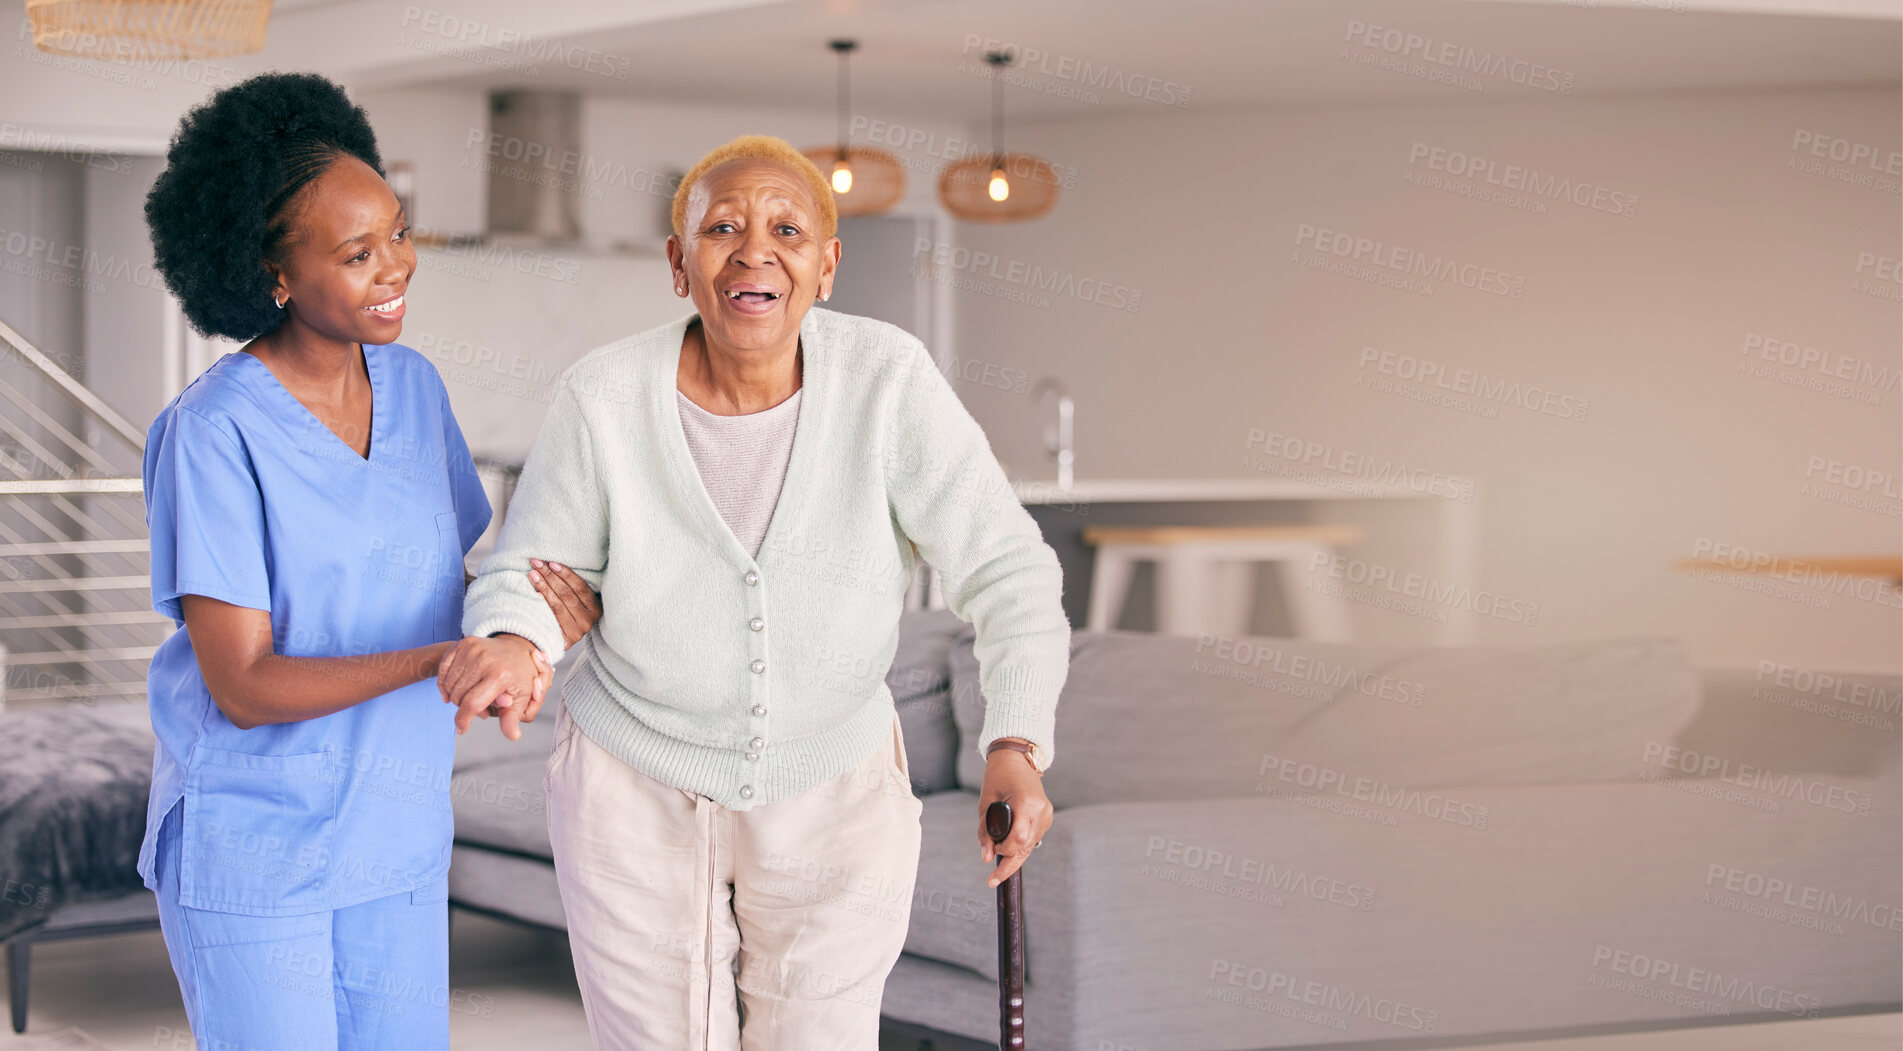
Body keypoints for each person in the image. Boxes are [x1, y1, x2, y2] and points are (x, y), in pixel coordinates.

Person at [442, 134, 1070, 1049]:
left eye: (786, 228)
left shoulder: (887, 382)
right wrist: (514, 638)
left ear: (825, 267)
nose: (753, 249)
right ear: (677, 263)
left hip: (836, 778)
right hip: (632, 777)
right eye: (721, 228)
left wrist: (1014, 740)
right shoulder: (605, 395)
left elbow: (1006, 565)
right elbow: (535, 568)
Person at [139, 72, 596, 1051]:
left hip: (393, 831)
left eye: (397, 230)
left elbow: (450, 585)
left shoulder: (415, 388)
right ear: (273, 274)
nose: (396, 265)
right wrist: (439, 659)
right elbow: (244, 685)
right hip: (256, 846)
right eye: (356, 253)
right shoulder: (213, 434)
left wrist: (532, 621)